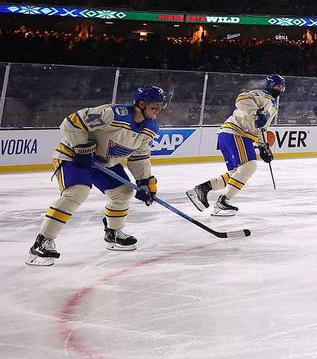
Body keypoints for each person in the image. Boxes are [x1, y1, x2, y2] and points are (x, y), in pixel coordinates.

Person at [27, 86, 167, 266]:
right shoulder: (114, 114)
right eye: (154, 107)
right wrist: (82, 146)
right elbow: (71, 122)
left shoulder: (150, 128)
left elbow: (139, 157)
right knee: (77, 192)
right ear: (141, 104)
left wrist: (145, 182)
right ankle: (42, 242)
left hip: (104, 163)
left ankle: (113, 233)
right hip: (74, 156)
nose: (158, 112)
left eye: (160, 108)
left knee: (123, 193)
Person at [185, 75, 284, 217]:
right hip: (236, 133)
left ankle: (202, 189)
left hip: (232, 134)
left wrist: (263, 147)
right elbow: (241, 100)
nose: (279, 89)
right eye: (277, 86)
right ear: (270, 85)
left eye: (282, 87)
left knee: (236, 174)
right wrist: (257, 112)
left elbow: (261, 128)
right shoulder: (261, 94)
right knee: (249, 166)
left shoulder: (273, 107)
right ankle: (222, 202)